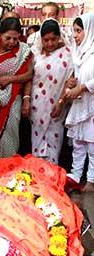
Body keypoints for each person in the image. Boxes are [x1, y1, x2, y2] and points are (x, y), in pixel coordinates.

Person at [0, 17, 33, 160]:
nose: (12, 42)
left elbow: (29, 74)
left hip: (14, 99)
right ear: (0, 34)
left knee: (11, 133)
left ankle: (9, 166)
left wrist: (10, 79)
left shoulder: (24, 51)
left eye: (15, 39)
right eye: (8, 38)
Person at [28, 19, 73, 164]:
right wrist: (27, 99)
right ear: (41, 39)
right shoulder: (35, 53)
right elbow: (29, 77)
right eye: (46, 40)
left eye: (53, 39)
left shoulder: (67, 54)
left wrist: (60, 102)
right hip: (37, 105)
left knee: (54, 139)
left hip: (57, 104)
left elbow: (69, 80)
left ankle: (52, 175)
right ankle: (38, 176)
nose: (50, 43)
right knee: (37, 138)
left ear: (59, 36)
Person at [65, 13, 94, 192]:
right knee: (78, 142)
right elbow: (76, 75)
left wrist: (82, 87)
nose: (75, 35)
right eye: (74, 31)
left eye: (78, 31)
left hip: (91, 105)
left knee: (92, 144)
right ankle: (75, 176)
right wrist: (71, 82)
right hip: (80, 104)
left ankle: (91, 179)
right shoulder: (79, 53)